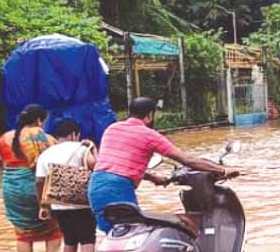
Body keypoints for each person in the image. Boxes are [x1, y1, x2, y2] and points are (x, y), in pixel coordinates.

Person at [88, 97, 240, 233]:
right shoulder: (149, 135)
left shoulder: (112, 129)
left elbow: (112, 164)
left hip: (95, 186)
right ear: (149, 116)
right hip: (118, 187)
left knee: (116, 236)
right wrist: (223, 170)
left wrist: (151, 177)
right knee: (132, 234)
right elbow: (187, 160)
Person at [0, 104, 62, 252]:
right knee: (53, 230)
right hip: (38, 188)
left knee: (23, 233)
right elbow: (55, 168)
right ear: (39, 120)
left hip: (12, 189)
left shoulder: (4, 138)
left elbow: (3, 161)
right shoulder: (49, 139)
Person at [35, 119, 98, 252]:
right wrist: (93, 149)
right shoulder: (81, 148)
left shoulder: (46, 153)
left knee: (70, 240)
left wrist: (43, 206)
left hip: (58, 204)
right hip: (81, 203)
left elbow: (39, 181)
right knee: (87, 239)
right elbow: (96, 166)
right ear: (74, 134)